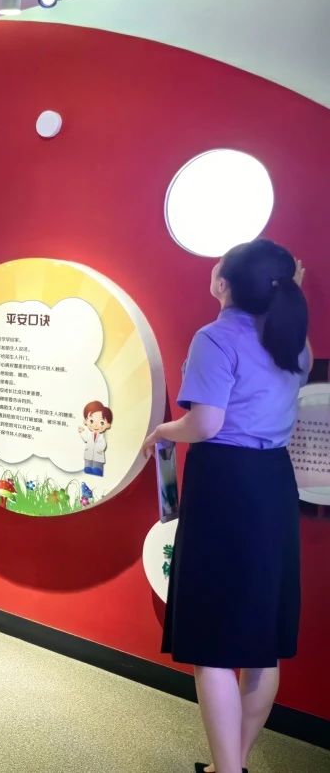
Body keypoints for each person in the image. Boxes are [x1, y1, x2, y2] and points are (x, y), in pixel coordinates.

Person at [142, 240, 309, 773]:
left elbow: (206, 424)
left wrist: (162, 432)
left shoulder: (215, 337)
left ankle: (228, 770)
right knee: (262, 644)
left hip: (225, 486)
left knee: (212, 643)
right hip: (273, 484)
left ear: (223, 285)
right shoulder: (294, 339)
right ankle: (230, 765)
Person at [78, 401, 113, 476]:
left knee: (97, 463)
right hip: (89, 452)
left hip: (98, 454)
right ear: (85, 421)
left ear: (107, 425)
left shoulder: (101, 437)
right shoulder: (89, 435)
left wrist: (100, 449)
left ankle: (98, 469)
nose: (96, 425)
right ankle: (88, 468)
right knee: (88, 461)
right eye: (91, 421)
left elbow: (103, 445)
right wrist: (81, 432)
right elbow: (86, 438)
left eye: (101, 422)